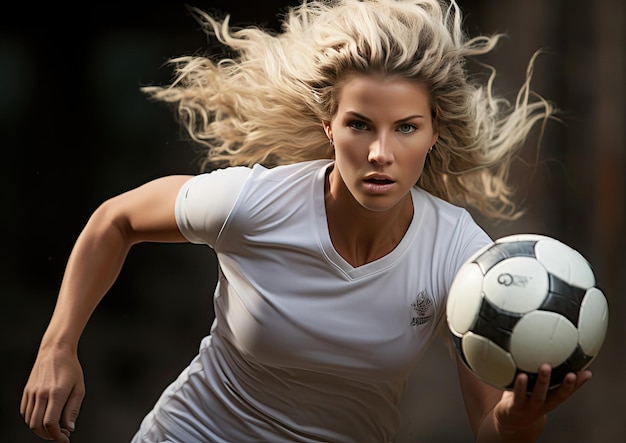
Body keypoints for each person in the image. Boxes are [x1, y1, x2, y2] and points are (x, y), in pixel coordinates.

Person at [20, 1, 592, 442]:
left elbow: (489, 431)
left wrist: (519, 421)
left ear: (434, 132)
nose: (380, 153)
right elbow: (115, 219)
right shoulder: (255, 204)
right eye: (361, 125)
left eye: (407, 128)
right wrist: (57, 347)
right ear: (329, 127)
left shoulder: (459, 253)